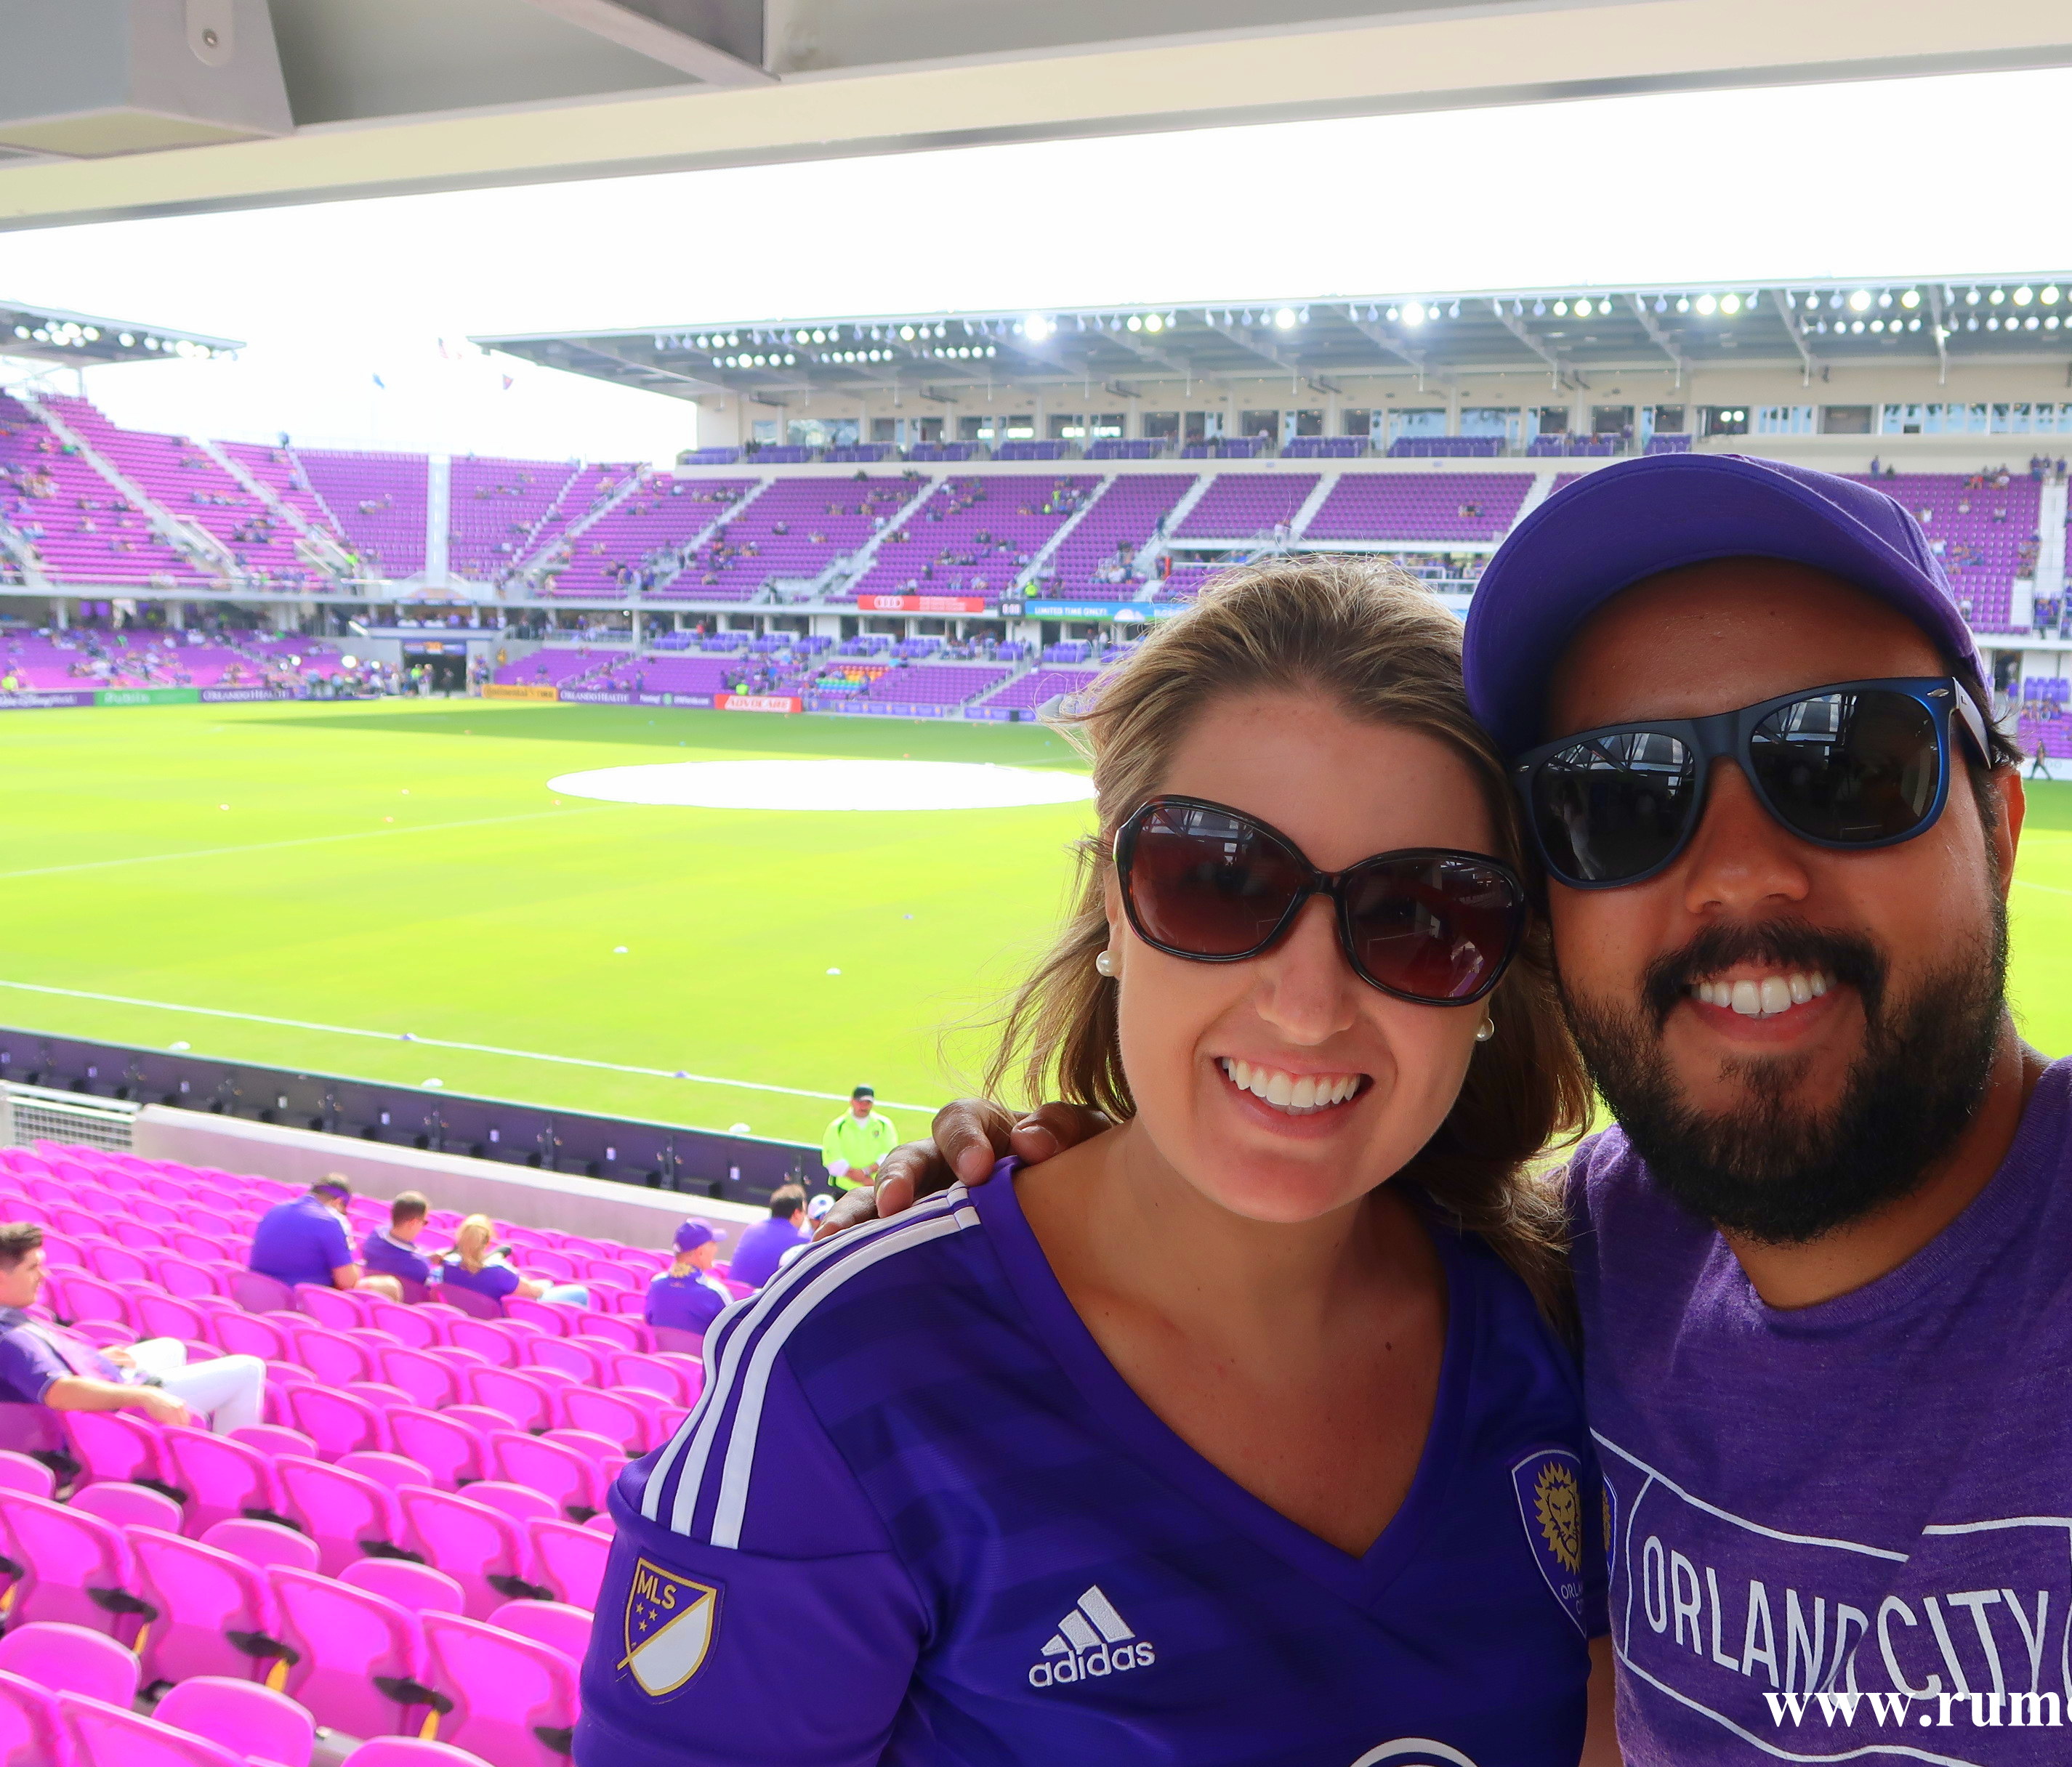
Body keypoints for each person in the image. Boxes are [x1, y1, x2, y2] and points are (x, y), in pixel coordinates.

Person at [867, 454, 2072, 1767]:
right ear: (1550, 909)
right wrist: (1031, 1187)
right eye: (1617, 801)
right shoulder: (1603, 1260)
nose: (1735, 871)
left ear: (2001, 825)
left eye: (1846, 764)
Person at [579, 561, 1611, 1767]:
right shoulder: (847, 1368)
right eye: (1221, 880)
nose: (1305, 1005)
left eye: (1424, 915)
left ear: (1494, 978)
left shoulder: (1560, 1320)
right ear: (1112, 905)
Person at [0, 1224, 265, 1433]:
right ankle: (230, 1458)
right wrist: (145, 1395)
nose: (44, 1275)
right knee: (249, 1369)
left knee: (170, 1347)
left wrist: (94, 1361)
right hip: (111, 1415)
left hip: (99, 1387)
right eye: (33, 1267)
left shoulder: (9, 1319)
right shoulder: (11, 1338)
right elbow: (59, 1392)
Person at [247, 1178, 369, 1292]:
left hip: (254, 1295)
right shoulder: (331, 1222)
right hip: (297, 1303)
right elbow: (347, 1282)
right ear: (338, 1202)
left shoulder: (275, 1209)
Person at [438, 1216, 583, 1309]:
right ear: (488, 1242)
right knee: (581, 1293)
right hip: (499, 1322)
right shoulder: (499, 1273)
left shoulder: (448, 1266)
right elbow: (534, 1293)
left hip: (470, 1321)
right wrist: (546, 1284)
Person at [643, 1220, 731, 1337]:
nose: (716, 1249)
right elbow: (734, 1337)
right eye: (713, 1244)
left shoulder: (656, 1285)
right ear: (700, 1252)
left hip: (662, 1355)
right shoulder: (715, 1293)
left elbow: (649, 1322)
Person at [356, 1191, 435, 1301]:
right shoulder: (419, 1266)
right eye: (425, 1222)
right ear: (413, 1223)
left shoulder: (373, 1239)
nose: (424, 1227)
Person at [820, 1086, 895, 1193]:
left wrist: (866, 1172)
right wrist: (864, 1180)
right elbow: (833, 1161)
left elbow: (889, 1156)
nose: (864, 1106)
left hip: (875, 1188)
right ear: (852, 1101)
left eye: (868, 1103)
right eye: (860, 1102)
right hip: (844, 1190)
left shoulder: (884, 1125)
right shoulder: (837, 1127)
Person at [727, 1187, 805, 1288]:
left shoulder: (752, 1229)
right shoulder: (803, 1241)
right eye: (804, 1212)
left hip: (734, 1295)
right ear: (796, 1213)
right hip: (762, 1300)